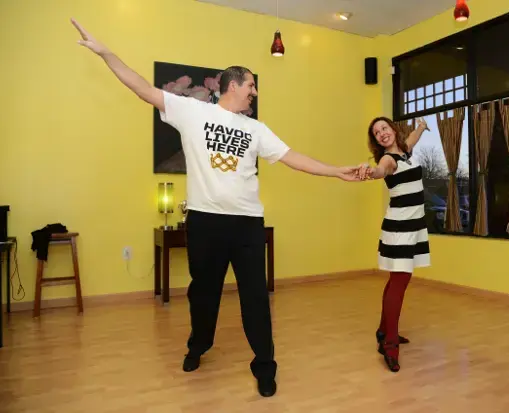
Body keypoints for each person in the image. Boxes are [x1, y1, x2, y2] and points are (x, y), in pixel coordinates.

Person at [70, 18, 361, 397]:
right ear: (233, 85)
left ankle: (265, 366)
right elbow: (142, 88)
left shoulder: (257, 129)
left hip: (247, 224)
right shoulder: (193, 111)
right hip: (205, 222)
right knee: (203, 293)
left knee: (255, 296)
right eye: (251, 85)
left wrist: (337, 171)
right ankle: (198, 345)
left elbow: (293, 157)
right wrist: (107, 53)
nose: (255, 91)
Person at [358, 116, 429, 372]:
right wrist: (372, 172)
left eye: (384, 128)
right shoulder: (388, 160)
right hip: (399, 230)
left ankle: (383, 330)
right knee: (398, 284)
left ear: (392, 129)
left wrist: (421, 126)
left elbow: (411, 138)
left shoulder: (406, 151)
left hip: (413, 226)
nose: (382, 134)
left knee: (398, 281)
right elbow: (382, 170)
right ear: (376, 140)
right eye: (377, 133)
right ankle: (389, 345)